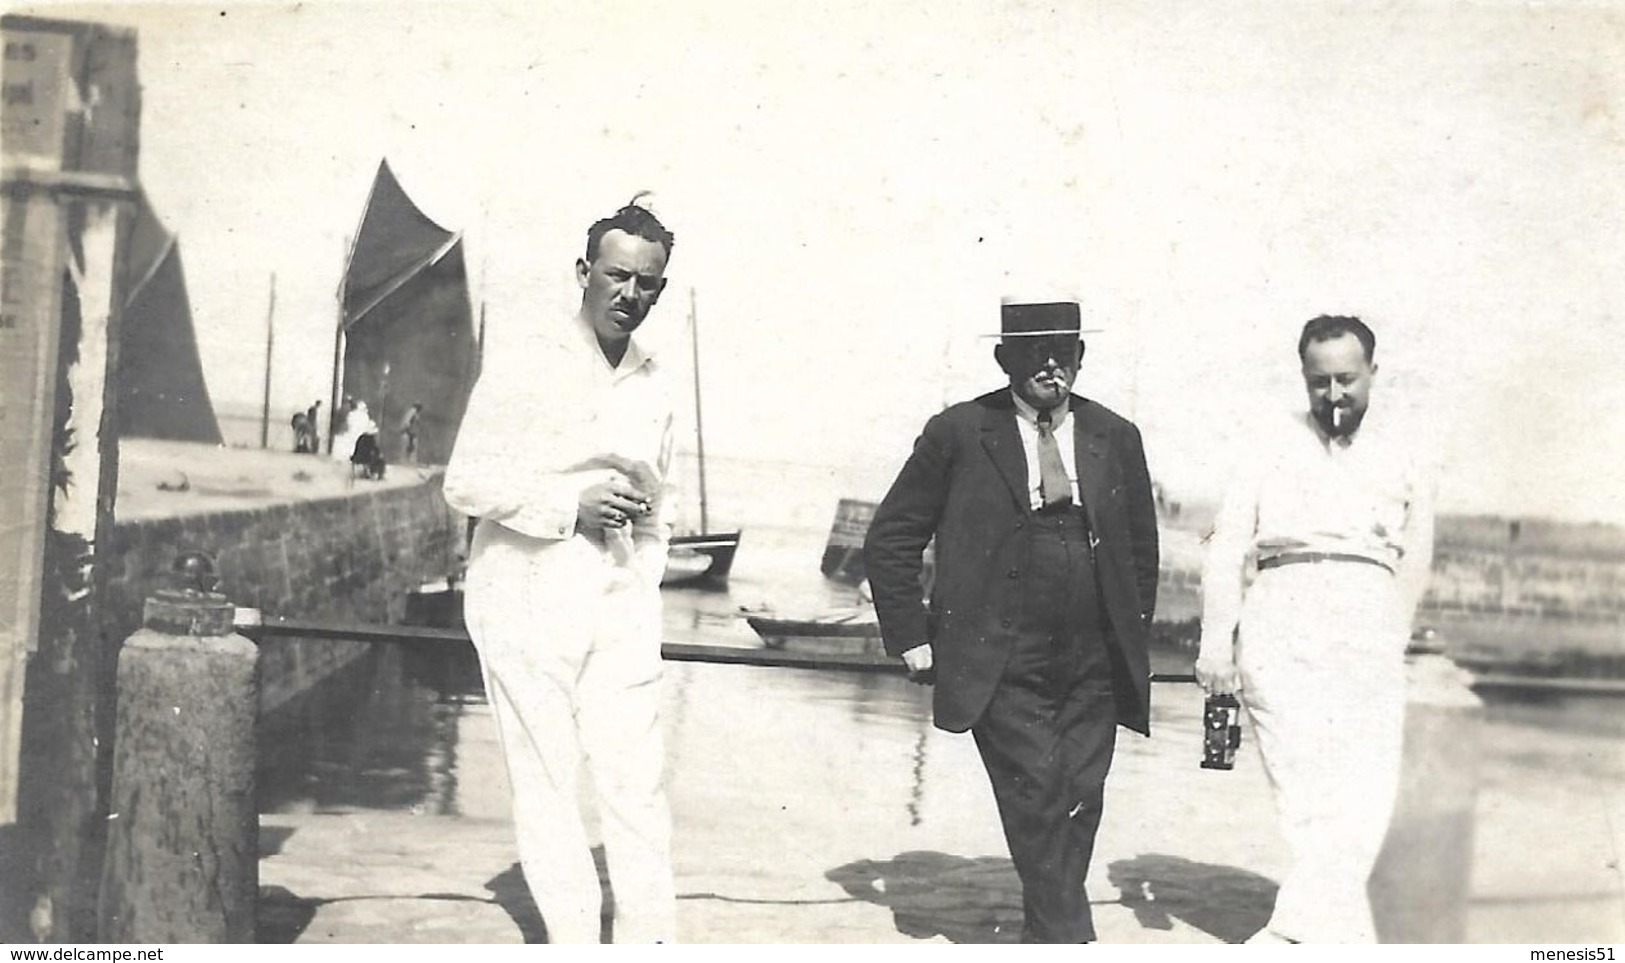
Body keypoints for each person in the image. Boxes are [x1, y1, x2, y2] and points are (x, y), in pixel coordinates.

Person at [864, 300, 1160, 943]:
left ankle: (1045, 933)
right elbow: (890, 538)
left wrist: (1132, 637)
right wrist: (911, 635)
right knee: (1037, 794)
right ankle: (1070, 939)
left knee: (1082, 795)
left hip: (1094, 655)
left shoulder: (1117, 436)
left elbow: (1141, 552)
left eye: (1065, 350)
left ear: (1081, 357)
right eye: (1035, 352)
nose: (1052, 364)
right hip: (1000, 652)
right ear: (1006, 361)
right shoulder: (959, 431)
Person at [442, 201, 678, 943]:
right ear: (584, 272)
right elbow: (466, 481)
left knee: (637, 786)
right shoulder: (525, 362)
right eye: (616, 275)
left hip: (617, 599)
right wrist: (565, 506)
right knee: (546, 782)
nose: (628, 295)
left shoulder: (655, 381)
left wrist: (643, 580)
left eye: (646, 283)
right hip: (525, 593)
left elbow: (659, 507)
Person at [1195, 314, 1435, 943]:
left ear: (1374, 374)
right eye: (1319, 382)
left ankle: (1297, 937)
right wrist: (1215, 642)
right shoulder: (1266, 442)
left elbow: (1418, 552)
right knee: (1302, 792)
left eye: (1347, 381)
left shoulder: (1407, 447)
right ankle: (1322, 938)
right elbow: (1226, 548)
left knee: (1364, 796)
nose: (1333, 395)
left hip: (1368, 619)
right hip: (1281, 614)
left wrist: (1394, 635)